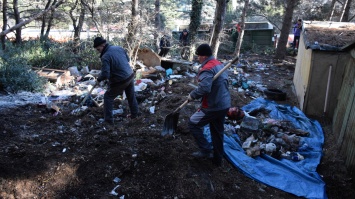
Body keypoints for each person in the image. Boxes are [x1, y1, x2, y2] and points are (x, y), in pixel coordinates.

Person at [187, 44, 231, 167]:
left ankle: (206, 150)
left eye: (198, 56)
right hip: (224, 103)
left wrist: (192, 95)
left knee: (193, 124)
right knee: (217, 132)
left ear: (204, 56)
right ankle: (217, 160)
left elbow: (204, 89)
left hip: (212, 106)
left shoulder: (207, 68)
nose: (197, 58)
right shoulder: (218, 64)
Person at [93, 36, 139, 124]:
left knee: (108, 97)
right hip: (130, 75)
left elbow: (105, 74)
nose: (99, 52)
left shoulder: (105, 56)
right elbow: (127, 59)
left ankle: (108, 121)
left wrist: (99, 79)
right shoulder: (118, 48)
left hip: (121, 79)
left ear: (103, 45)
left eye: (98, 49)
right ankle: (135, 115)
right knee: (131, 96)